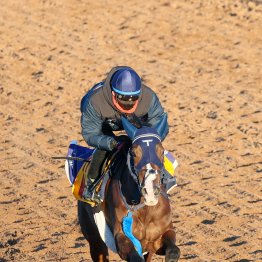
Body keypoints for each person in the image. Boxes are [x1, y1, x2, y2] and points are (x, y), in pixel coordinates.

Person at [80, 66, 176, 202]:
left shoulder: (149, 98)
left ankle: (165, 175)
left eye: (133, 99)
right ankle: (91, 185)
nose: (128, 104)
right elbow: (91, 133)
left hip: (136, 123)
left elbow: (159, 126)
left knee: (150, 145)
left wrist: (146, 139)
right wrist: (111, 143)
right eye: (123, 99)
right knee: (103, 149)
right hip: (104, 125)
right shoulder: (95, 102)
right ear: (114, 94)